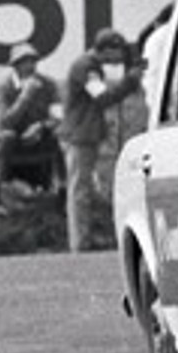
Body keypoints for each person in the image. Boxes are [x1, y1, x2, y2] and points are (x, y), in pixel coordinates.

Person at [61, 29, 142, 251]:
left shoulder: (89, 65)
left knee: (83, 188)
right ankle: (80, 242)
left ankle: (83, 238)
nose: (120, 57)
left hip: (85, 134)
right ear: (106, 49)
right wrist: (130, 82)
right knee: (80, 190)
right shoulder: (85, 67)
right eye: (117, 51)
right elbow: (103, 97)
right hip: (80, 135)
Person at [0, 43, 62, 215]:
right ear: (15, 66)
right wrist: (26, 96)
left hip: (38, 134)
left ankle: (63, 192)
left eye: (33, 61)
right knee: (6, 137)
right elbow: (5, 121)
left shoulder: (48, 84)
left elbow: (58, 115)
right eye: (24, 62)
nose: (30, 66)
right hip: (9, 136)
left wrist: (41, 126)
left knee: (63, 136)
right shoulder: (3, 88)